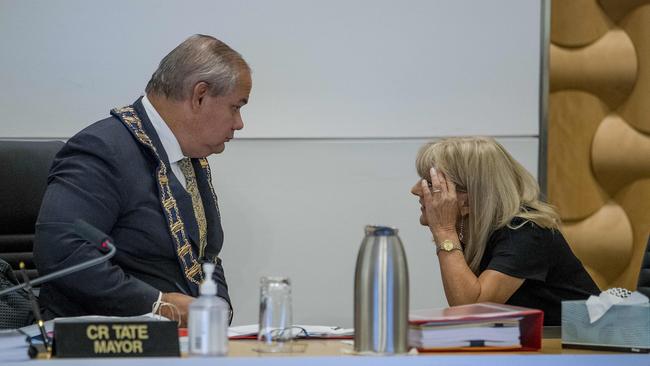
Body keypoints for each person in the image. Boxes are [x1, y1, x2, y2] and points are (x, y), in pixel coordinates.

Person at [33, 34, 252, 326]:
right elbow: (63, 253)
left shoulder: (189, 157)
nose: (239, 123)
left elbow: (205, 257)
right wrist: (160, 305)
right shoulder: (101, 149)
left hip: (182, 343)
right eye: (236, 107)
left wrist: (218, 310)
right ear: (199, 95)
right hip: (103, 344)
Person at [410, 137, 599, 325]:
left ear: (467, 200)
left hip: (583, 351)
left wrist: (444, 230)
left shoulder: (526, 232)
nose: (416, 190)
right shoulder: (476, 233)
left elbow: (470, 308)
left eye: (430, 183)